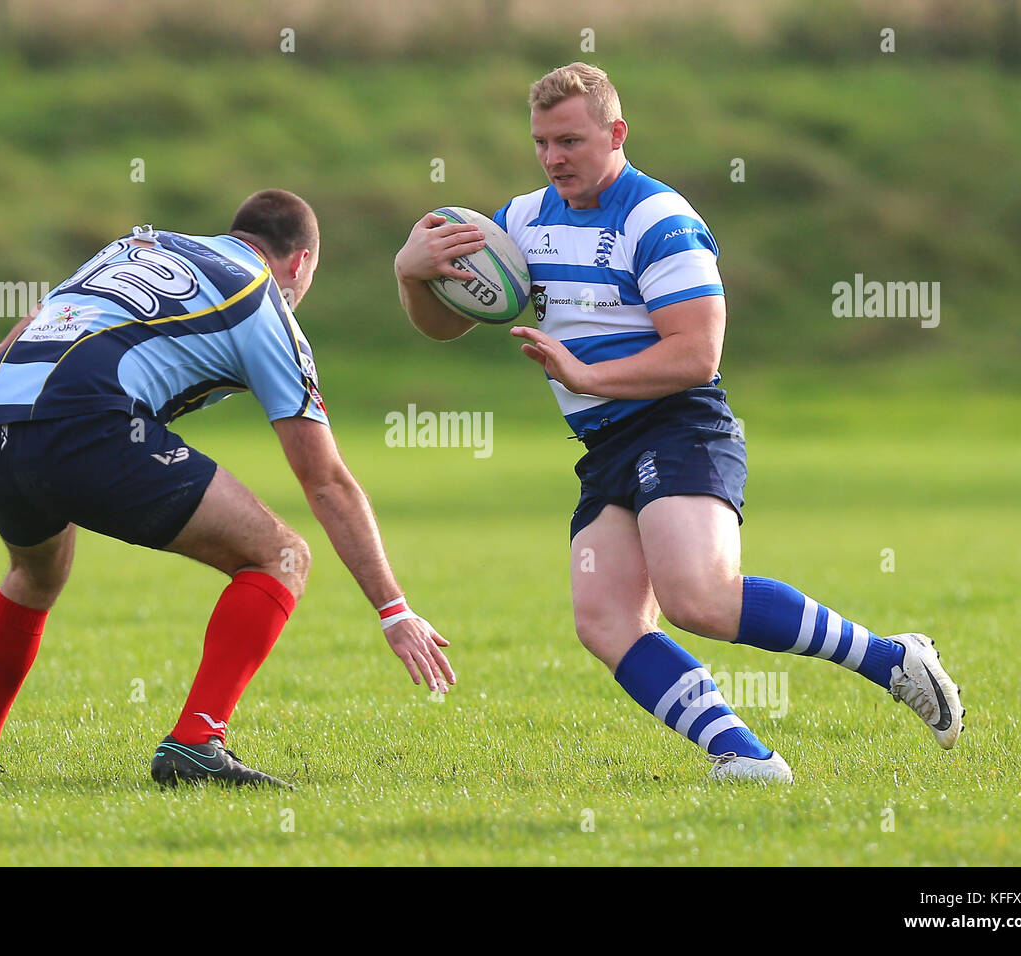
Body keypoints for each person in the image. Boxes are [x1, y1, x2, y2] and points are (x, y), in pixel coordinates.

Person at [393, 63, 962, 783]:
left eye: (570, 140)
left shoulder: (656, 217)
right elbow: (445, 327)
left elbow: (696, 354)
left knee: (701, 597)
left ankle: (894, 659)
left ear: (616, 133)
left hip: (679, 425)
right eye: (541, 142)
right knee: (604, 619)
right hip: (605, 445)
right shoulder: (522, 221)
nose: (553, 157)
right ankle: (747, 760)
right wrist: (412, 274)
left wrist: (587, 375)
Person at [0, 189, 455, 789]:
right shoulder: (261, 301)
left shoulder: (133, 246)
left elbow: (5, 352)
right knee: (282, 556)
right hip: (86, 423)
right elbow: (326, 481)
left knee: (35, 576)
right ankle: (197, 742)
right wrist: (393, 609)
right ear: (302, 262)